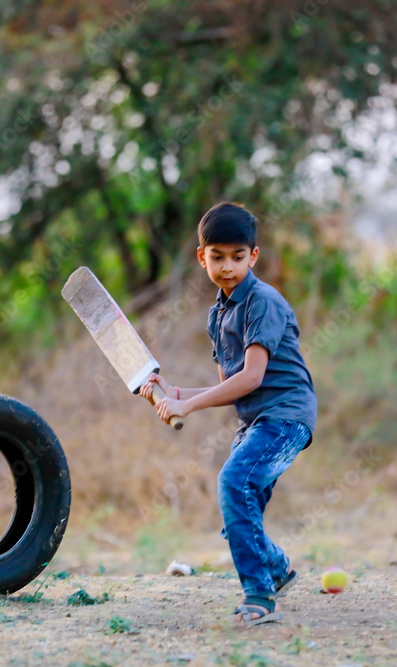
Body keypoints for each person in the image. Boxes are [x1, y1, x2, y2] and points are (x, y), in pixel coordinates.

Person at [139, 201, 318, 625]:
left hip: (287, 415)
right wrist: (175, 391)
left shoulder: (263, 302)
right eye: (216, 257)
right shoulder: (218, 315)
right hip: (255, 419)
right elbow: (229, 387)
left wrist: (187, 404)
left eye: (238, 257)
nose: (227, 267)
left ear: (253, 256)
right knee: (238, 508)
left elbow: (252, 378)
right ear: (201, 258)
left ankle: (259, 597)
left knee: (233, 482)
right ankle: (278, 569)